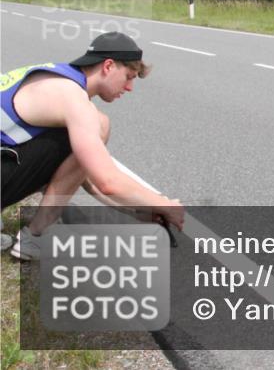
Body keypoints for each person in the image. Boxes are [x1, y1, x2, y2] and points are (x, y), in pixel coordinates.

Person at [1, 32, 183, 260]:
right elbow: (107, 182)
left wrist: (141, 210)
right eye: (129, 76)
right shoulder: (73, 99)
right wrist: (163, 203)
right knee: (100, 124)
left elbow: (80, 178)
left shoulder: (54, 77)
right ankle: (36, 237)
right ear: (108, 66)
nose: (129, 88)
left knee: (84, 140)